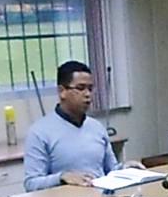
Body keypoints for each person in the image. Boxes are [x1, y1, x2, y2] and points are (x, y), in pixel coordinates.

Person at [24, 60, 132, 190]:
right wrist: (62, 177)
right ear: (62, 91)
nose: (87, 94)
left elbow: (111, 170)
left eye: (90, 89)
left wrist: (125, 169)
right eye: (80, 88)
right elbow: (31, 184)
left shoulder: (96, 127)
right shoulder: (40, 132)